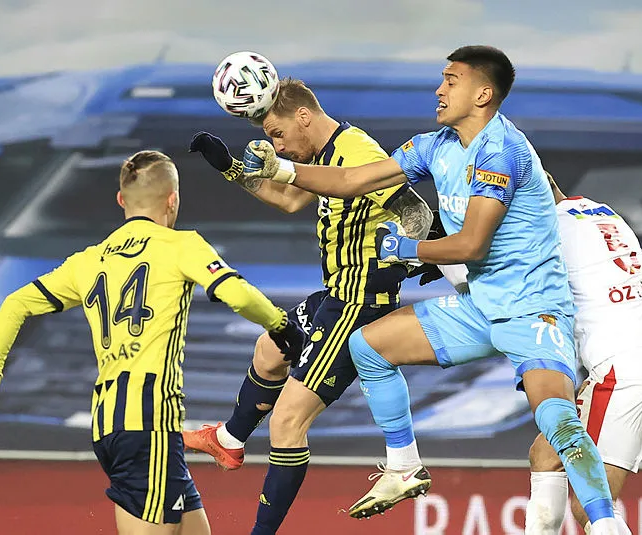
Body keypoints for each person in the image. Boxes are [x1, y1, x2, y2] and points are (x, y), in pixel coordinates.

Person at [239, 46, 620, 533]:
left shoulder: (501, 150)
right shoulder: (435, 145)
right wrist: (280, 171)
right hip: (479, 307)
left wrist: (408, 248)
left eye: (451, 81)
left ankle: (606, 525)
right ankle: (404, 467)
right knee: (367, 346)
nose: (439, 90)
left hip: (531, 310)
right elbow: (353, 179)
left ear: (482, 94)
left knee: (557, 421)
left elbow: (473, 244)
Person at [0, 150, 305, 535]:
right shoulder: (180, 245)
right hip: (148, 424)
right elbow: (235, 293)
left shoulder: (88, 261)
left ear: (121, 200)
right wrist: (280, 324)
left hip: (114, 424)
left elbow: (15, 304)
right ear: (172, 200)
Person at [183, 78, 432, 534]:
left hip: (359, 304)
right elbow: (288, 198)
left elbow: (416, 211)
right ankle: (229, 439)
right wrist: (229, 167)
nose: (277, 146)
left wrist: (416, 253)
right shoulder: (322, 153)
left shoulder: (356, 151)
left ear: (303, 116)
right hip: (336, 294)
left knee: (287, 421)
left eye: (277, 134)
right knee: (270, 350)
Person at [523, 174, 642, 534]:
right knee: (547, 453)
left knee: (588, 506)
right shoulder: (601, 212)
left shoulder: (543, 232)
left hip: (625, 371)